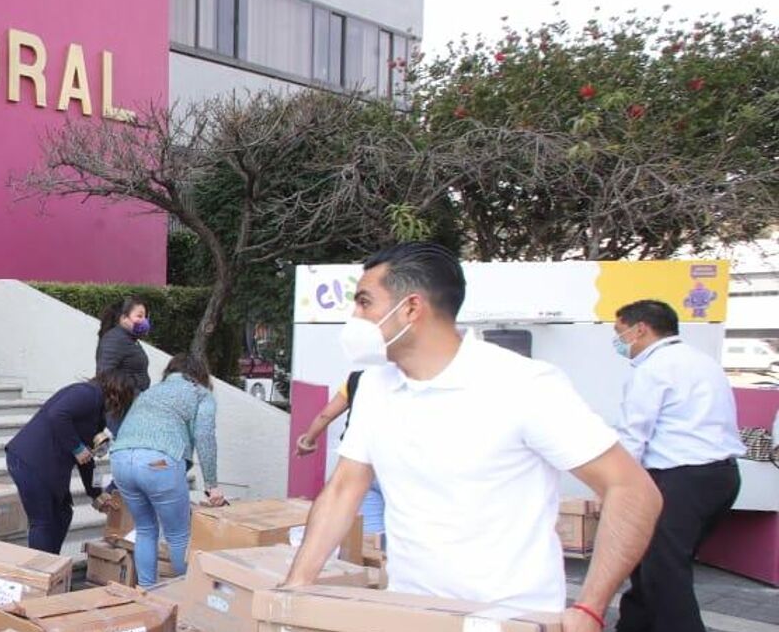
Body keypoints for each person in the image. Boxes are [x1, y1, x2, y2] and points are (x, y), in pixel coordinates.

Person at [284, 243, 661, 632]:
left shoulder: (524, 385)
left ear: (411, 308)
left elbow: (632, 491)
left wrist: (590, 608)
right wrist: (294, 589)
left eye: (364, 303)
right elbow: (345, 487)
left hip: (507, 619)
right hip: (408, 613)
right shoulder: (377, 386)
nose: (355, 317)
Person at [611, 299, 745, 632]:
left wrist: (616, 489)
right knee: (649, 561)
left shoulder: (653, 369)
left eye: (619, 332)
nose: (619, 341)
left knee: (664, 570)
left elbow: (634, 435)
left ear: (640, 328)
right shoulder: (703, 362)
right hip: (720, 477)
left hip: (680, 480)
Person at [108, 354, 224, 586]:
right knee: (178, 536)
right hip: (158, 463)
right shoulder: (201, 394)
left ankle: (148, 592)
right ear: (200, 375)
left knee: (145, 530)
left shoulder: (149, 393)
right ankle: (188, 598)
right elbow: (204, 437)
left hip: (120, 459)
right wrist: (212, 485)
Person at [5, 369, 143, 555]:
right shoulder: (87, 393)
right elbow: (57, 414)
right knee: (43, 521)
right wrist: (76, 447)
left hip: (48, 466)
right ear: (117, 393)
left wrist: (96, 494)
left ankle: (52, 564)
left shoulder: (97, 413)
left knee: (63, 515)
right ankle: (41, 572)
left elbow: (87, 458)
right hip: (29, 460)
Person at [294, 370, 385, 536]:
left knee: (370, 538)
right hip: (397, 469)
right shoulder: (418, 382)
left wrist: (307, 441)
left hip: (359, 467)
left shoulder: (357, 379)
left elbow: (325, 415)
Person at [95, 297, 154, 394]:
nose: (144, 321)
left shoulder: (131, 339)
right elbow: (104, 375)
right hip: (121, 403)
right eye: (139, 316)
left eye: (145, 317)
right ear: (123, 318)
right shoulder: (114, 339)